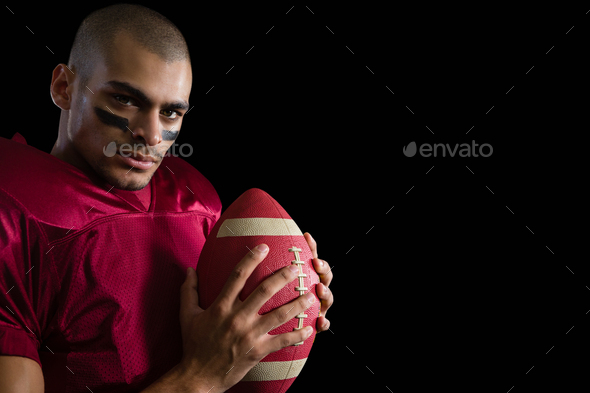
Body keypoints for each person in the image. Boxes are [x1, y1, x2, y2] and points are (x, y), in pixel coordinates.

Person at [0, 4, 334, 392]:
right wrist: (198, 379)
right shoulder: (11, 222)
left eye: (172, 113)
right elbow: (208, 373)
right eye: (125, 100)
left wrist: (286, 304)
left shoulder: (198, 203)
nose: (153, 135)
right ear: (63, 88)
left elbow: (228, 358)